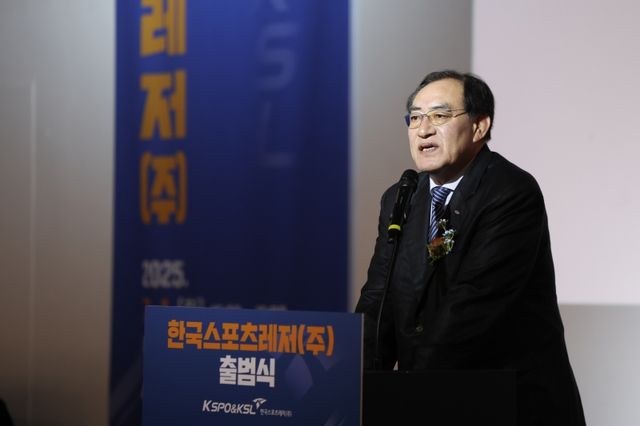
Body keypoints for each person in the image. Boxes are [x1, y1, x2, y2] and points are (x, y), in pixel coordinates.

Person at [355, 70, 585, 425]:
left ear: (479, 127)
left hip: (508, 403)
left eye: (439, 115)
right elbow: (377, 299)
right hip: (432, 398)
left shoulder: (510, 192)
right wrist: (354, 385)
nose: (423, 129)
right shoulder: (401, 198)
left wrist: (407, 392)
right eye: (415, 117)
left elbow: (471, 307)